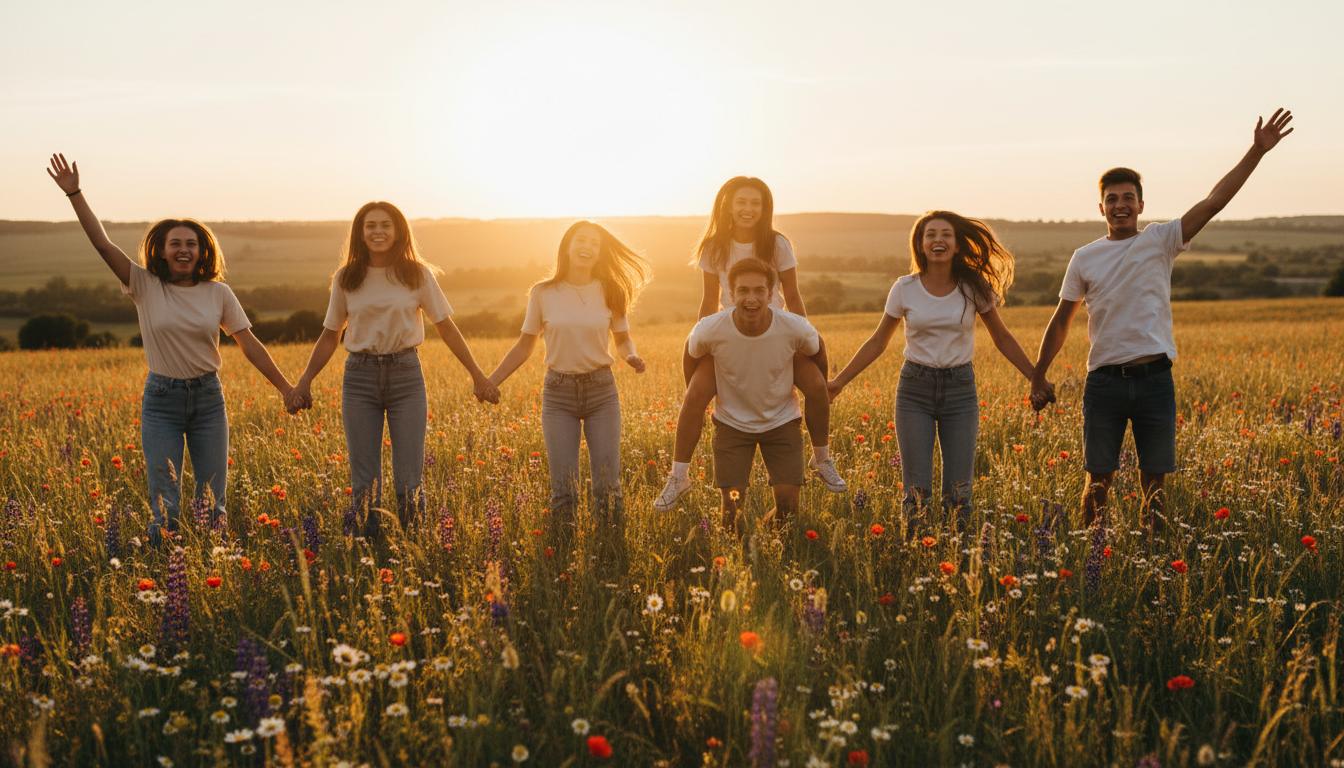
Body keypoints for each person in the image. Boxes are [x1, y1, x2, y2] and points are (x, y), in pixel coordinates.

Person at [1030, 108, 1295, 530]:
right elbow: (1061, 321)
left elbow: (1214, 201)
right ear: (1101, 207)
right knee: (1097, 482)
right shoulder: (1084, 257)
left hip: (1155, 381)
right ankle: (1090, 556)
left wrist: (1256, 151)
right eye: (1112, 199)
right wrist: (1038, 374)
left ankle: (1152, 557)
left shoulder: (1161, 239)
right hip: (1104, 383)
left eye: (1127, 198)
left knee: (1155, 486)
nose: (1120, 205)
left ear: (1141, 204)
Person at [46, 153, 297, 545]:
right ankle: (161, 562)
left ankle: (214, 564)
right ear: (161, 251)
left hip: (208, 399)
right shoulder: (145, 285)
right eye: (175, 243)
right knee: (165, 502)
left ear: (202, 251)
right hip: (162, 400)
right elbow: (103, 245)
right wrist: (75, 194)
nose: (183, 249)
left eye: (191, 244)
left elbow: (250, 344)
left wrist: (286, 388)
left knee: (213, 501)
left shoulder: (218, 293)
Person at [288, 202, 497, 538]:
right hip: (359, 377)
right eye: (370, 225)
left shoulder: (417, 275)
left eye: (386, 225)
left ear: (399, 231)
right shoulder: (347, 278)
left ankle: (412, 544)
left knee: (409, 477)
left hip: (406, 376)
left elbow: (446, 327)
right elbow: (330, 335)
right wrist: (304, 381)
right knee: (364, 478)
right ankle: (365, 546)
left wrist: (477, 375)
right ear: (360, 233)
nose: (378, 231)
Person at [828, 212, 1037, 530]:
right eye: (931, 235)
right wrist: (839, 382)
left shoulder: (973, 287)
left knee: (959, 492)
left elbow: (1002, 337)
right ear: (920, 244)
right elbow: (878, 341)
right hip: (915, 389)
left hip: (960, 390)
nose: (938, 240)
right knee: (916, 492)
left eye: (946, 234)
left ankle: (960, 552)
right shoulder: (905, 288)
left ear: (957, 245)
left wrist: (1035, 376)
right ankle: (916, 551)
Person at [654, 176, 843, 512]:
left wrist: (800, 336)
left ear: (765, 208)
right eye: (741, 202)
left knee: (815, 385)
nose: (748, 209)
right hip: (728, 334)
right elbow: (709, 299)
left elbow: (792, 294)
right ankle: (678, 477)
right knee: (695, 395)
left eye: (756, 203)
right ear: (727, 205)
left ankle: (822, 458)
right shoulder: (714, 246)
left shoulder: (777, 243)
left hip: (776, 331)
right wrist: (705, 342)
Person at [486, 221, 649, 551]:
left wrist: (630, 356)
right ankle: (563, 555)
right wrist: (491, 381)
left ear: (600, 252)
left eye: (594, 243)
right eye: (581, 240)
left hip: (601, 391)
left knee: (607, 486)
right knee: (564, 489)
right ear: (568, 246)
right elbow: (525, 345)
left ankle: (611, 553)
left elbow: (622, 339)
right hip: (558, 394)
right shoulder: (543, 293)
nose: (587, 246)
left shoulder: (611, 290)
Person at [684, 257, 824, 531]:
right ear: (731, 294)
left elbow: (818, 350)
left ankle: (768, 539)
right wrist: (696, 395)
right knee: (732, 507)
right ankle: (737, 550)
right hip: (732, 424)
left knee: (788, 506)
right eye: (743, 290)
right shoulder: (712, 328)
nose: (751, 298)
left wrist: (821, 387)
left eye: (759, 290)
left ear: (771, 294)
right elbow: (690, 353)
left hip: (782, 421)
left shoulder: (792, 326)